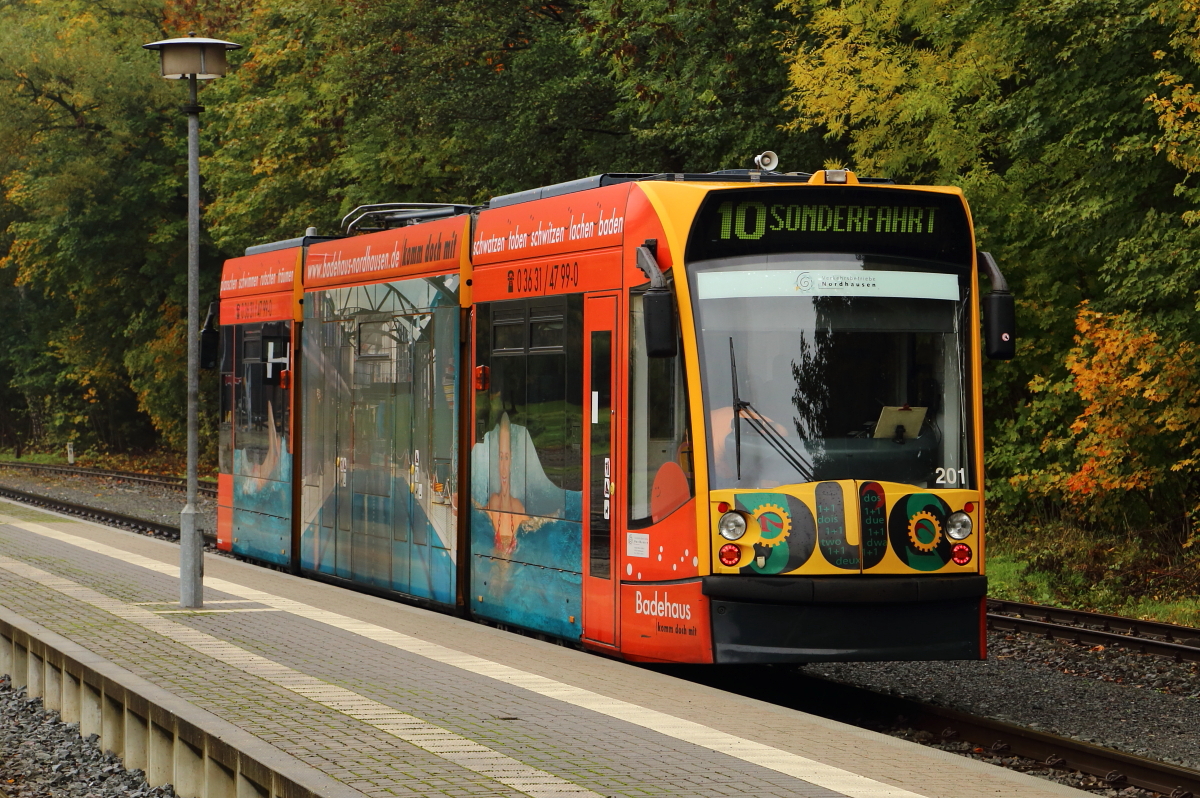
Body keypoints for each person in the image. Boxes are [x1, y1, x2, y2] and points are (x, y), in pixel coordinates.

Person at [485, 413, 528, 556]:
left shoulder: (517, 508)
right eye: (500, 457)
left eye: (507, 457)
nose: (503, 467)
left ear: (512, 460)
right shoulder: (494, 501)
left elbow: (538, 522)